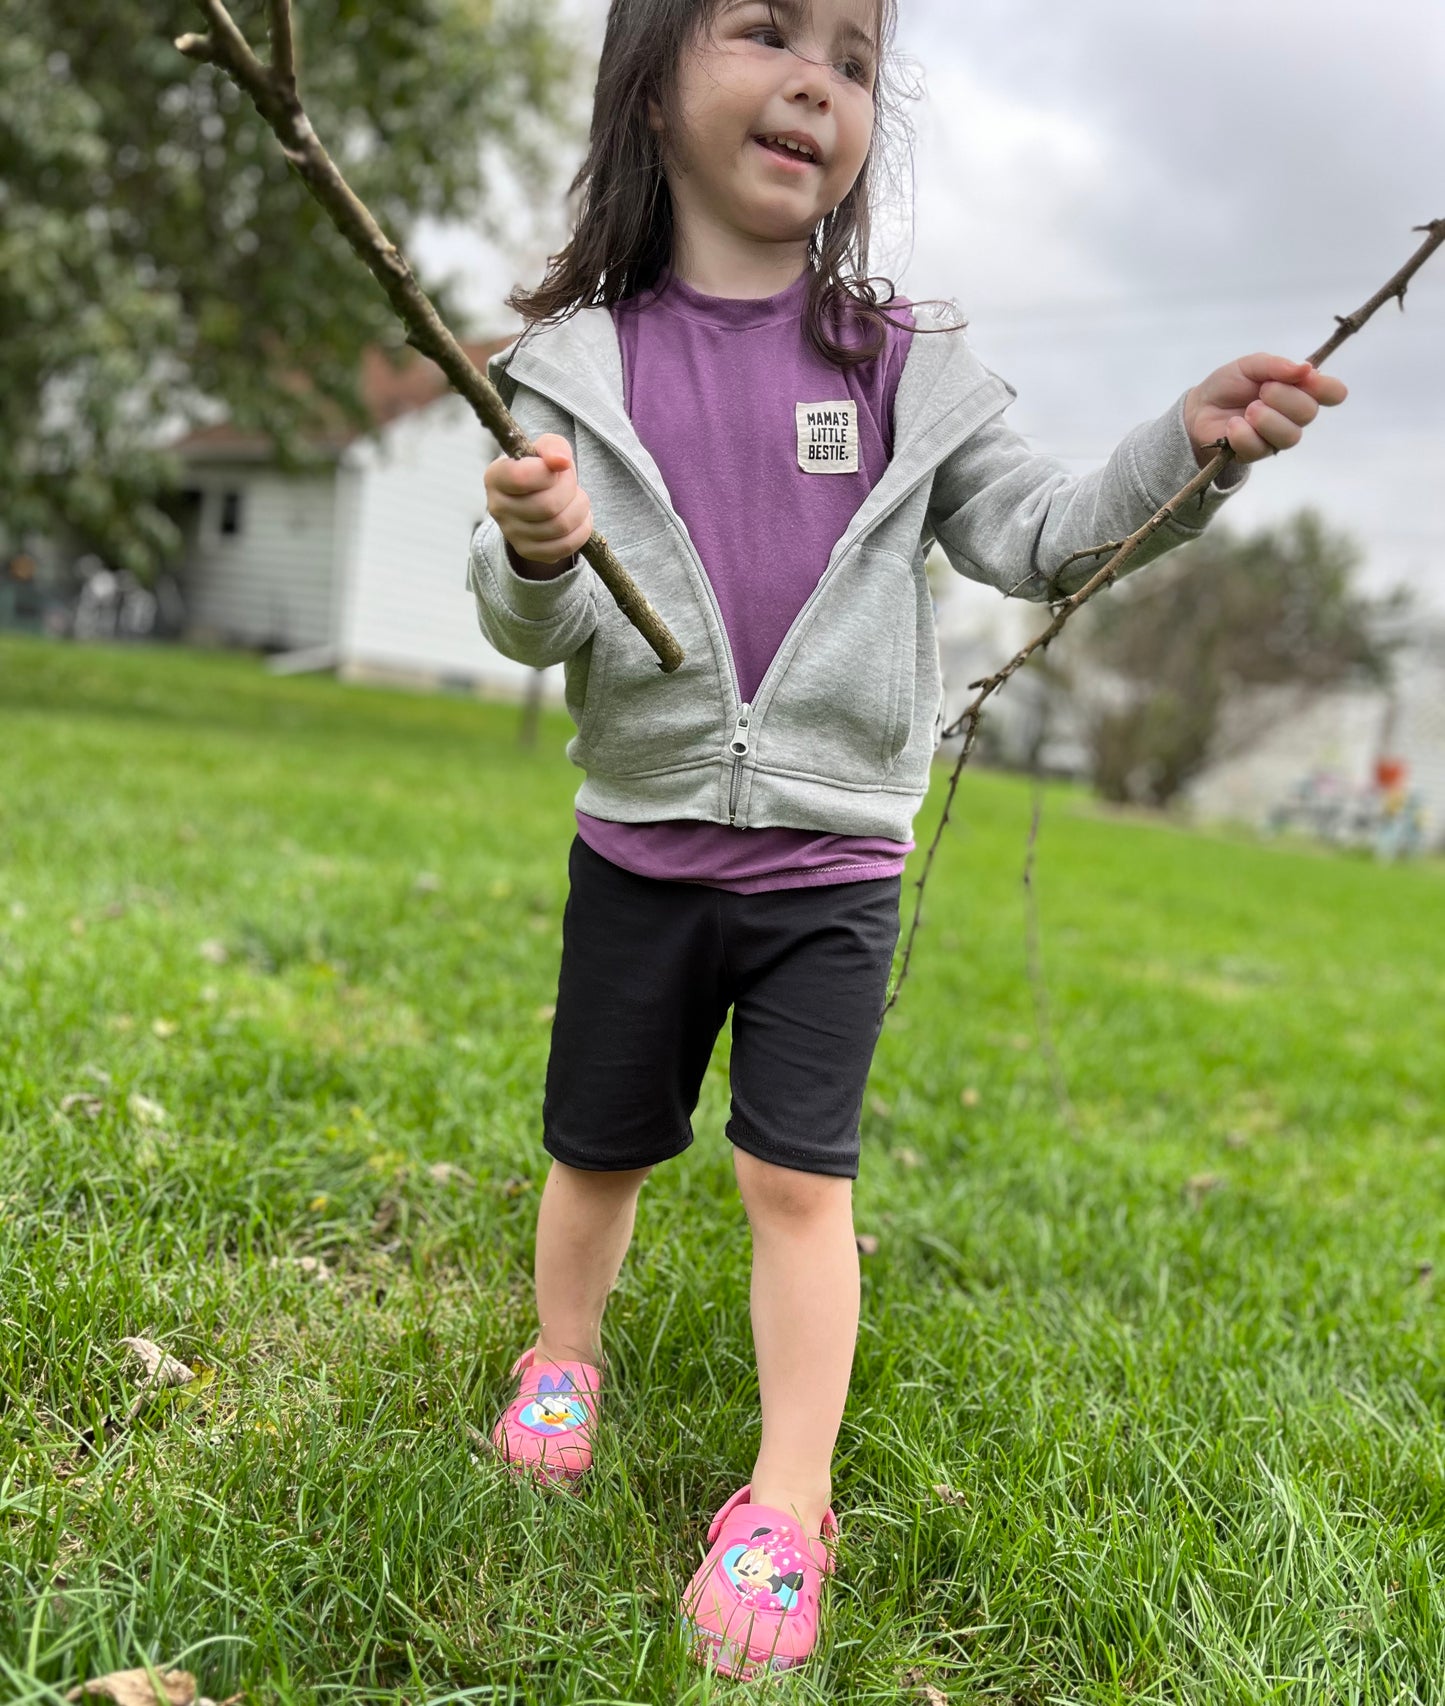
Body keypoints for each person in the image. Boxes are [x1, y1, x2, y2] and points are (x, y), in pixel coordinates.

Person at [466, 0, 1348, 1681]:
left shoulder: (898, 367)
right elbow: (531, 630)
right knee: (598, 1144)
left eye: (857, 62)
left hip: (830, 870)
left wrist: (1188, 448)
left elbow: (1037, 534)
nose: (819, 78)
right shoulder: (566, 368)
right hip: (640, 844)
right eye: (768, 32)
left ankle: (787, 1497)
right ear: (651, 86)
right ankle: (559, 1354)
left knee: (798, 1180)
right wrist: (527, 550)